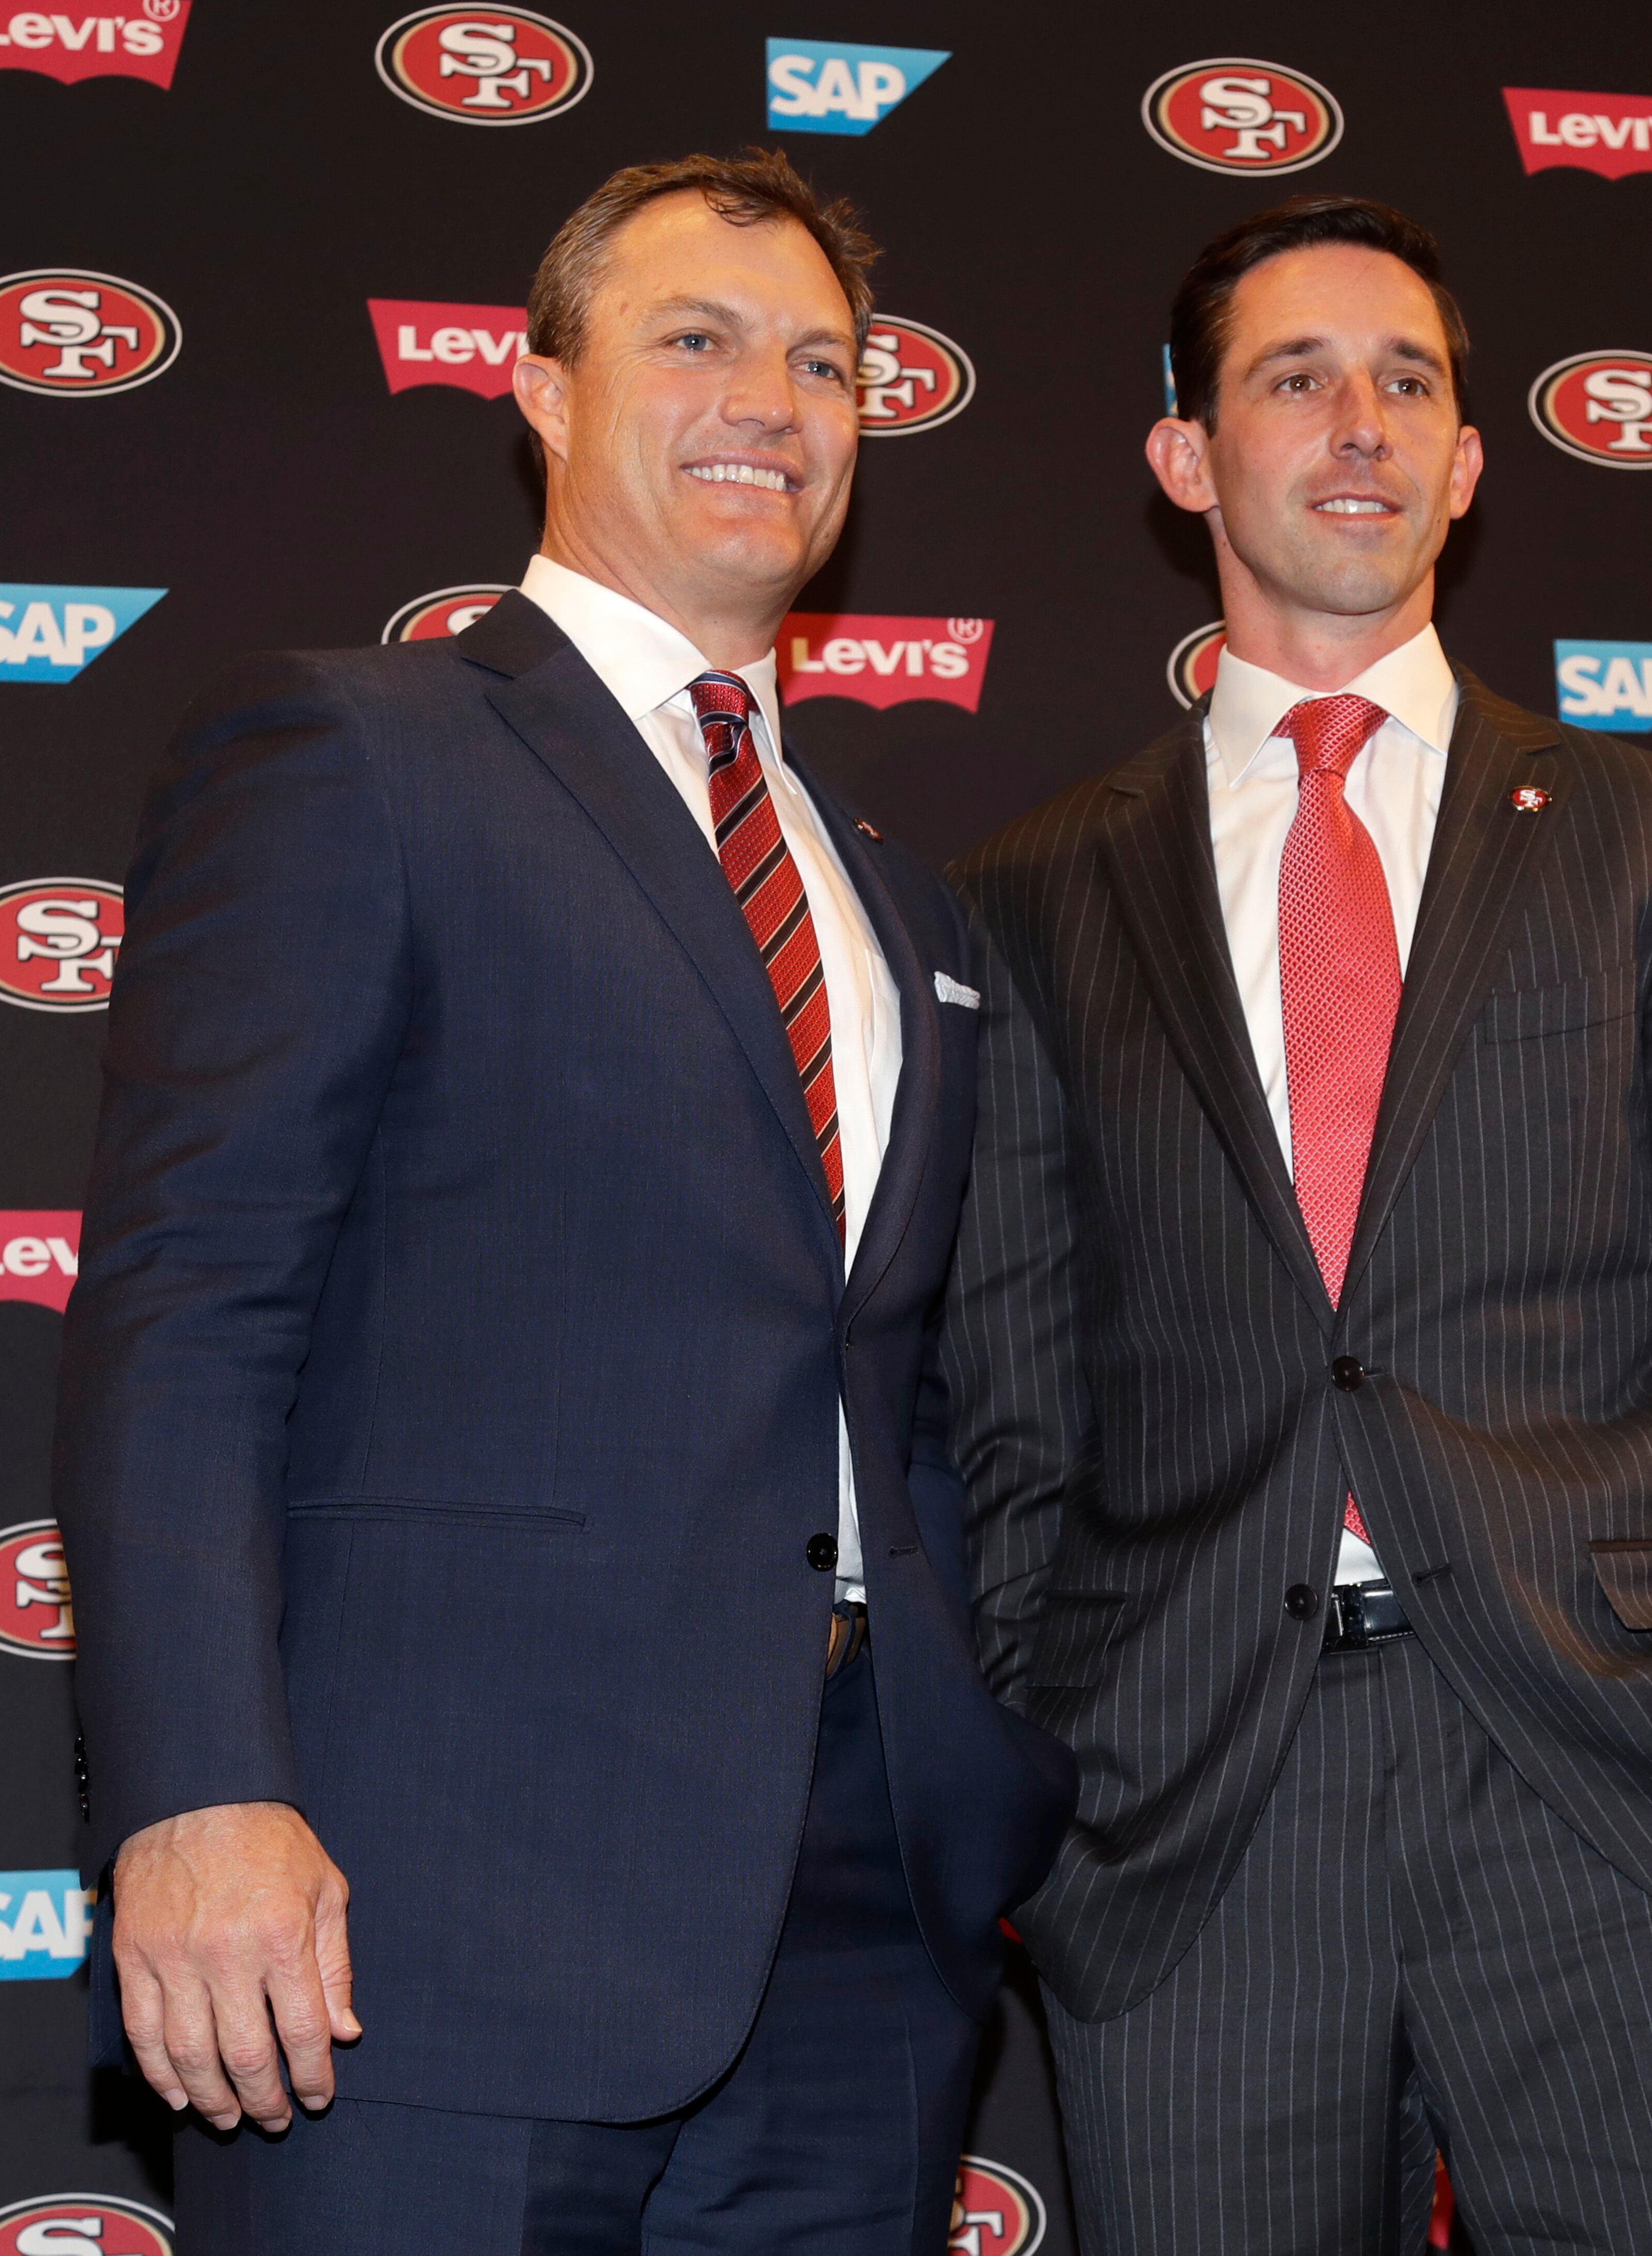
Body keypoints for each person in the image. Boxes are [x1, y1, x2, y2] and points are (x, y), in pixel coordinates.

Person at [54, 148, 1074, 2255]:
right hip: (421, 1913)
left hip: (864, 1939)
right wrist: (192, 1787)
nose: (769, 402)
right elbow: (192, 1304)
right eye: (694, 340)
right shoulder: (355, 748)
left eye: (822, 362)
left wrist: (974, 1778)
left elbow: (908, 1368)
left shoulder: (888, 887)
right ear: (538, 387)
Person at [942, 194, 1652, 2255]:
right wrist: (1062, 1766)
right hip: (1198, 1823)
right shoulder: (1034, 891)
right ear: (1189, 454)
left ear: (1468, 460)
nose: (1359, 423)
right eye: (1296, 378)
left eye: (1409, 384)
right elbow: (1014, 1399)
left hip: (1618, 1790)